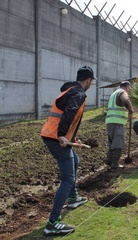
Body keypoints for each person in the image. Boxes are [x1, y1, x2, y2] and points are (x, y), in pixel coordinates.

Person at [40, 66, 96, 236]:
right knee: (67, 179)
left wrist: (72, 138)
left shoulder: (69, 91)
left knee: (75, 161)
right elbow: (70, 113)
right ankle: (52, 223)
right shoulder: (78, 94)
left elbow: (67, 115)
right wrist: (63, 135)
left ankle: (73, 198)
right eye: (91, 82)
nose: (91, 85)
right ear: (88, 80)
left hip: (52, 135)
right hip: (56, 138)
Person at [105, 81, 134, 169]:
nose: (129, 91)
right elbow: (125, 100)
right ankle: (115, 164)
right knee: (118, 143)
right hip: (117, 122)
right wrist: (131, 110)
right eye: (129, 88)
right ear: (126, 87)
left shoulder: (114, 93)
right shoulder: (122, 92)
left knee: (112, 142)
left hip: (110, 121)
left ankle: (109, 160)